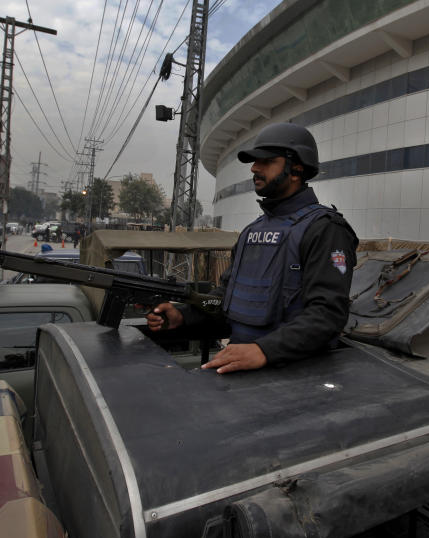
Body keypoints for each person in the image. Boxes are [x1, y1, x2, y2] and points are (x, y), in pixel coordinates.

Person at [146, 122, 358, 374]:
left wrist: (264, 350)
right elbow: (224, 301)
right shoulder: (252, 232)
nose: (255, 168)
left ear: (296, 169)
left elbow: (327, 315)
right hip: (242, 369)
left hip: (299, 376)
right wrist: (184, 317)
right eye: (255, 162)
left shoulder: (325, 229)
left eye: (266, 161)